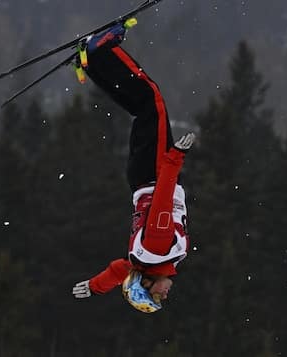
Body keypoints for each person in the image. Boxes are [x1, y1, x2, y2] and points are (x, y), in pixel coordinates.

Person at [71, 18, 195, 313]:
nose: (164, 295)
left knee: (152, 100)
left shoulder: (157, 249)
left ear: (147, 284)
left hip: (156, 172)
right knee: (143, 109)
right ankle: (91, 63)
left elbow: (164, 200)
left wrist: (175, 157)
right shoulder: (145, 260)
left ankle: (102, 51)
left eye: (156, 296)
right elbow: (118, 271)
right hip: (142, 176)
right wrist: (94, 286)